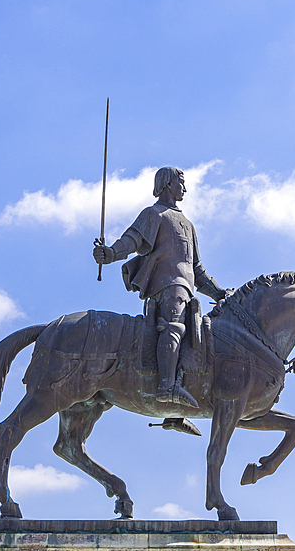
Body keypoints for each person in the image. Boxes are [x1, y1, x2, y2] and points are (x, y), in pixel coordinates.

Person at [93, 166, 227, 408]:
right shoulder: (154, 214)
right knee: (173, 329)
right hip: (168, 286)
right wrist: (111, 253)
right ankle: (166, 387)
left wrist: (218, 293)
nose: (184, 187)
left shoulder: (187, 223)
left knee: (195, 341)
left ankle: (175, 411)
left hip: (188, 291)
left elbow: (196, 268)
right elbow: (132, 240)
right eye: (181, 182)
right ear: (167, 183)